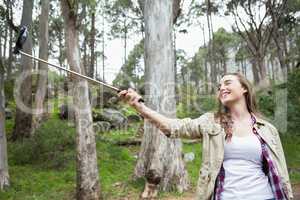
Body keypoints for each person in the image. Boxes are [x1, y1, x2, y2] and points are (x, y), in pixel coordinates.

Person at [118, 73, 293, 200]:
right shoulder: (212, 122)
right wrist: (139, 107)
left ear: (244, 88)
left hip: (265, 196)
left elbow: (281, 171)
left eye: (227, 82)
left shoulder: (268, 129)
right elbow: (173, 127)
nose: (222, 88)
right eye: (219, 87)